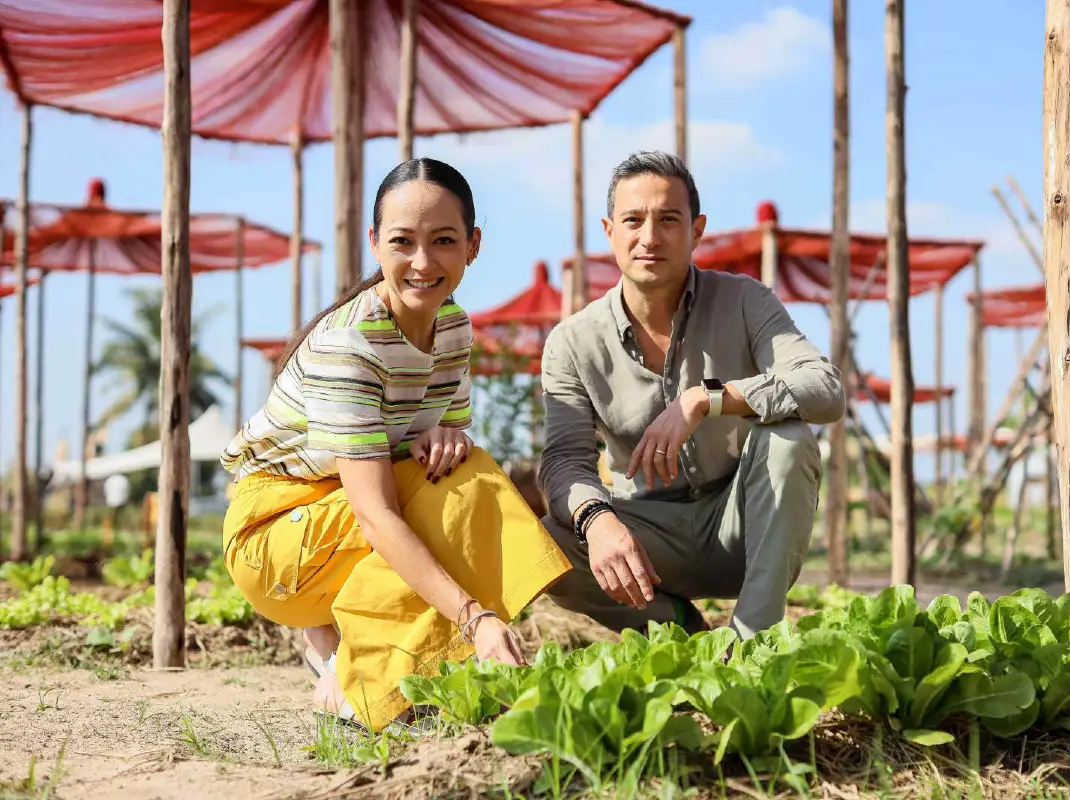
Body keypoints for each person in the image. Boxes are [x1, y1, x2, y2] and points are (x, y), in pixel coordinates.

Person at [220, 158, 570, 734]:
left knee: (468, 477)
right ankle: (363, 684)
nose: (423, 262)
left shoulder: (453, 328)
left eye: (444, 241)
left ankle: (354, 656)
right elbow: (377, 514)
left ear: (473, 245)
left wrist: (442, 434)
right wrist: (473, 618)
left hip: (333, 520)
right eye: (403, 242)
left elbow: (445, 453)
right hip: (273, 538)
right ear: (375, 243)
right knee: (460, 498)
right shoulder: (351, 348)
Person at [537, 151, 845, 640]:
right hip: (648, 540)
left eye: (669, 219)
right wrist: (596, 520)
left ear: (697, 230)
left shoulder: (746, 300)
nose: (650, 237)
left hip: (741, 525)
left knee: (789, 438)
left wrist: (707, 397)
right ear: (609, 230)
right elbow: (564, 462)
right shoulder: (572, 342)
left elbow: (824, 388)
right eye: (633, 220)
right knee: (547, 543)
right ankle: (678, 628)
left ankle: (753, 640)